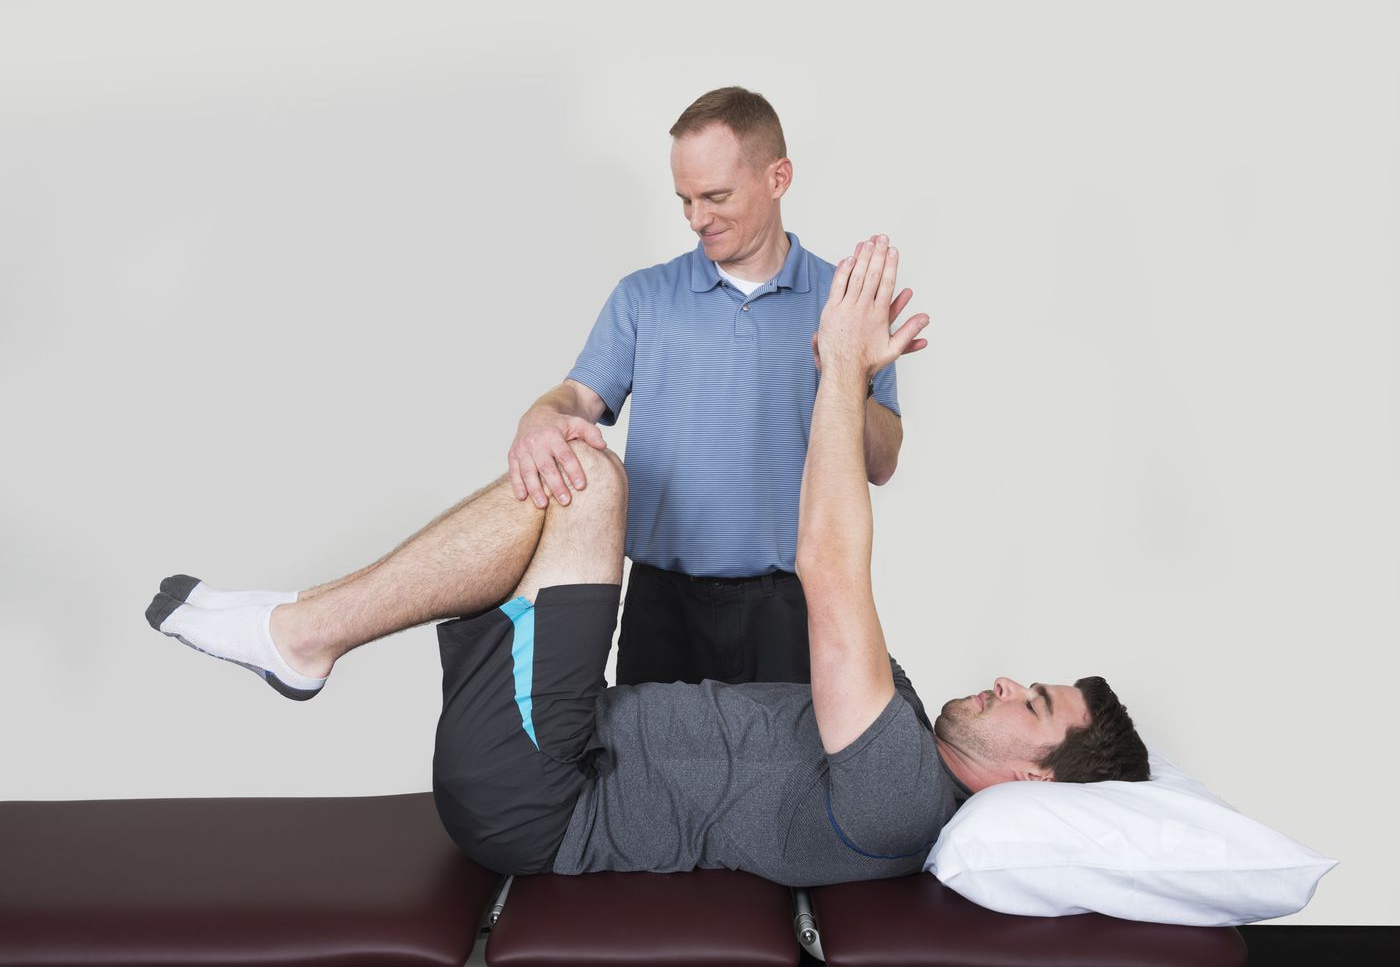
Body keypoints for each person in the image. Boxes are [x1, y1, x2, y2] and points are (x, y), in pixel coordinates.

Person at [144, 239, 1150, 886]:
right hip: (555, 744)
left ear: (1025, 778)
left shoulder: (904, 795)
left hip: (539, 793)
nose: (1015, 680)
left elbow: (829, 565)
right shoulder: (907, 757)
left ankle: (302, 632)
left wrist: (842, 363)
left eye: (1038, 703)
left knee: (593, 482)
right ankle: (308, 623)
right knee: (580, 463)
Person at [507, 87, 905, 687]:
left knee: (792, 778)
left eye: (716, 196)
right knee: (652, 776)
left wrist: (845, 369)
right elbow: (575, 400)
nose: (698, 219)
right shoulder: (643, 298)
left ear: (779, 177)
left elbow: (881, 464)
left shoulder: (845, 303)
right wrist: (539, 418)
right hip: (663, 606)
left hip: (795, 605)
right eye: (685, 200)